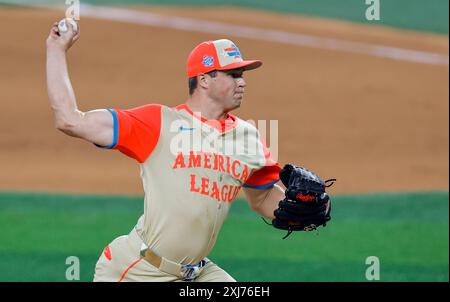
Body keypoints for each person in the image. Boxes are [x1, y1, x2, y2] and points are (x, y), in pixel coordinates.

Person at [46, 20, 286, 282]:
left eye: (242, 74)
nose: (242, 83)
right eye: (234, 74)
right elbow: (69, 120)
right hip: (138, 271)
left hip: (197, 273)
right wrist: (57, 49)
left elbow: (262, 198)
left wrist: (304, 207)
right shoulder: (159, 122)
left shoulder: (248, 137)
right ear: (204, 80)